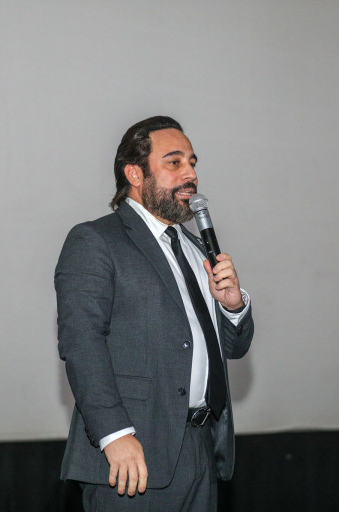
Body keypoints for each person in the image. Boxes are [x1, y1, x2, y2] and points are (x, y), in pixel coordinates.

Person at [55, 115, 254, 511]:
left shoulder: (197, 248)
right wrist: (115, 435)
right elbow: (82, 343)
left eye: (192, 163)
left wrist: (233, 307)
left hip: (201, 449)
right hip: (133, 454)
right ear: (135, 173)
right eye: (174, 162)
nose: (190, 174)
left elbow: (232, 349)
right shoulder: (96, 240)